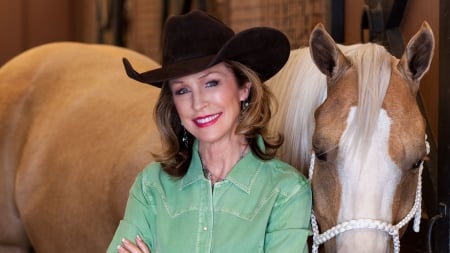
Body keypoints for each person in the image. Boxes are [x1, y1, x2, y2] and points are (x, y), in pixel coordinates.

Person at [107, 10, 312, 253]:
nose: (198, 103)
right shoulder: (151, 185)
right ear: (173, 102)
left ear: (243, 88)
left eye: (211, 83)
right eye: (182, 90)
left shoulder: (286, 192)